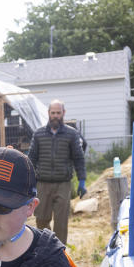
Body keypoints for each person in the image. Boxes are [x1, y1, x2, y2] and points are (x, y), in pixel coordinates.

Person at [26, 100, 87, 246]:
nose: (55, 116)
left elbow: (79, 158)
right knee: (41, 219)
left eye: (58, 113)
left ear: (63, 113)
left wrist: (82, 181)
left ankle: (59, 253)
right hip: (42, 184)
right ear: (48, 113)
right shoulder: (39, 134)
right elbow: (31, 159)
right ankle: (45, 249)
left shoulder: (71, 134)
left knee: (61, 221)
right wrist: (28, 182)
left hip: (63, 184)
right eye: (53, 113)